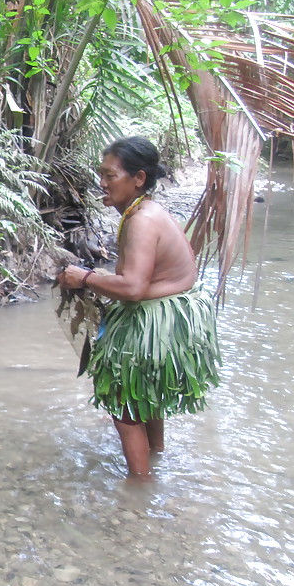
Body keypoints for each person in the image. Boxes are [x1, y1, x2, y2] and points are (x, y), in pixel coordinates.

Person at [58, 136, 220, 479]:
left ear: (139, 178)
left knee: (125, 404)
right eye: (100, 174)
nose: (101, 183)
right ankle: (155, 453)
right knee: (145, 393)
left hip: (157, 319)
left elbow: (132, 288)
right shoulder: (147, 211)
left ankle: (139, 490)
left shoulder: (141, 221)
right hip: (175, 317)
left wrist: (85, 277)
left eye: (110, 175)